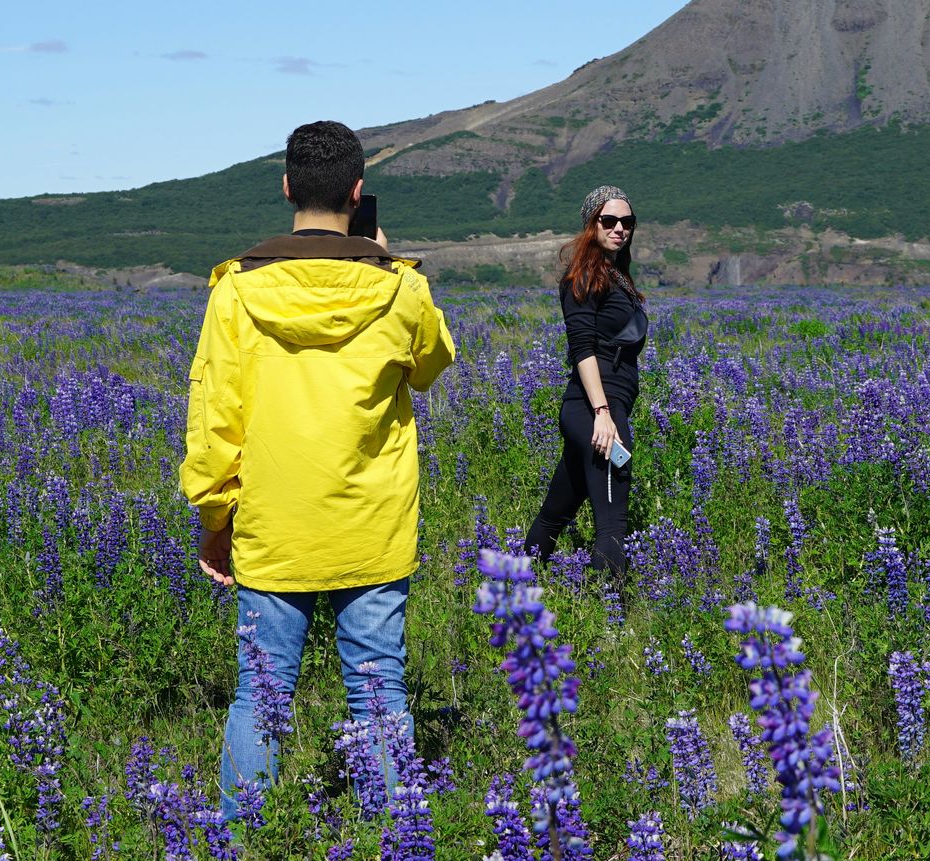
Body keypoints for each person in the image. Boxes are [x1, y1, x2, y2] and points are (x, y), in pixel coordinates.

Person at [179, 120, 456, 820]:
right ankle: (401, 859)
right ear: (358, 192)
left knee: (261, 693)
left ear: (286, 188)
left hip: (274, 527)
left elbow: (215, 425)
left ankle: (241, 856)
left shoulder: (236, 291)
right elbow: (432, 365)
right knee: (379, 692)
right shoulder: (402, 290)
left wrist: (217, 519)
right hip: (372, 526)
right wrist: (387, 264)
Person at [524, 185, 648, 579]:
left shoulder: (615, 275)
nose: (619, 229)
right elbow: (582, 348)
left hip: (601, 408)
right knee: (613, 519)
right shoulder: (582, 277)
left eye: (626, 222)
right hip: (595, 409)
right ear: (590, 224)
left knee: (555, 512)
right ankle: (615, 623)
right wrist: (603, 413)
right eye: (608, 220)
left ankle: (514, 590)